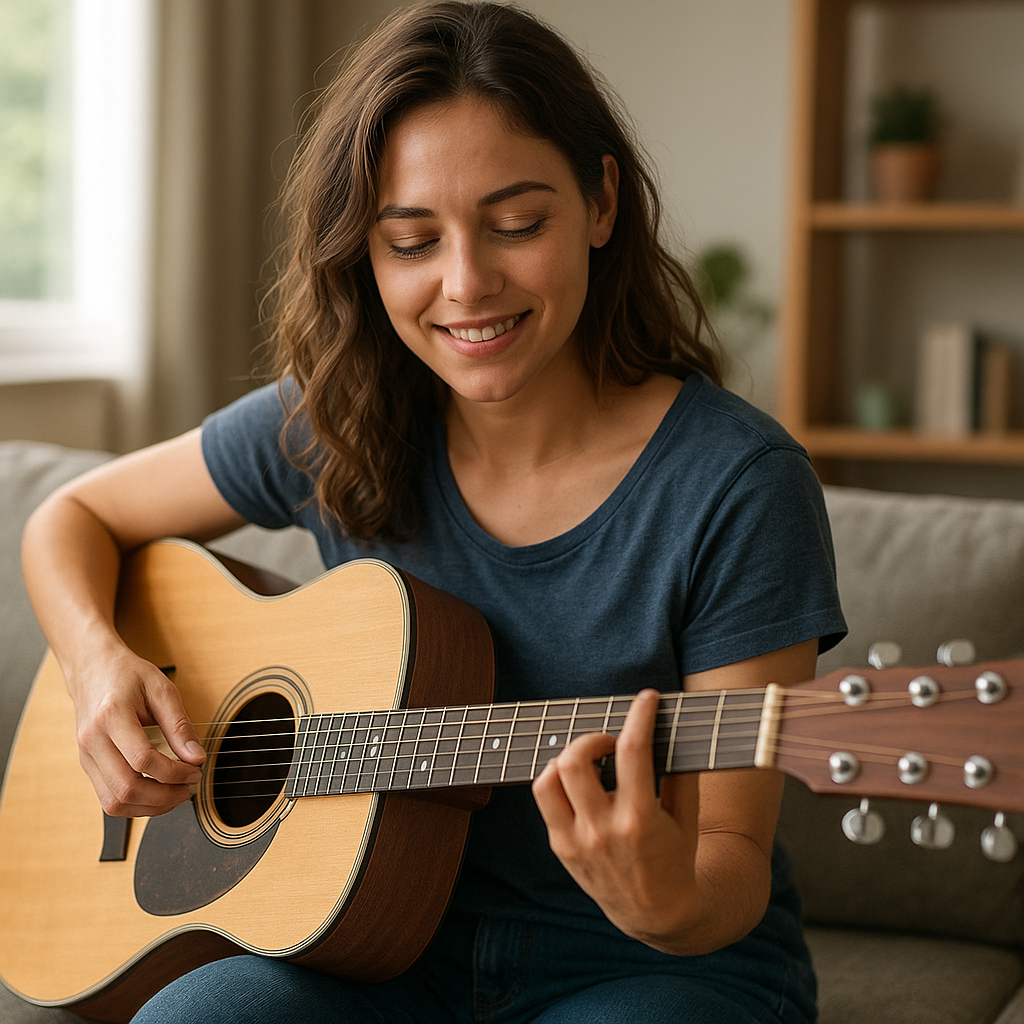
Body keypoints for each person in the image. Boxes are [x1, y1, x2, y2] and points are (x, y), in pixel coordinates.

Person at [21, 3, 845, 1022]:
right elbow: (71, 518)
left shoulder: (739, 482)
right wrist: (99, 667)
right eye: (411, 240)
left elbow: (729, 861)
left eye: (517, 224)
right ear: (363, 254)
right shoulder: (337, 420)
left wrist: (668, 903)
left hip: (650, 969)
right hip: (371, 952)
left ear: (600, 202)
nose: (466, 284)